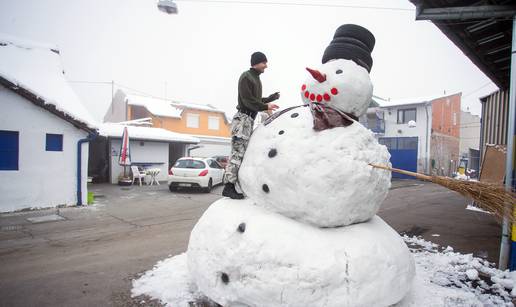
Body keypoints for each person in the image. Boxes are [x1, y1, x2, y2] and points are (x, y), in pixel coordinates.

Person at [222, 51, 280, 199]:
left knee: (243, 152)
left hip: (248, 120)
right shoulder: (246, 77)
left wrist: (268, 99)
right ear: (256, 62)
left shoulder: (255, 78)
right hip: (242, 119)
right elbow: (248, 101)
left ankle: (235, 184)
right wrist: (265, 107)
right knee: (237, 153)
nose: (266, 66)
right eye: (264, 62)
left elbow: (255, 99)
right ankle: (228, 187)